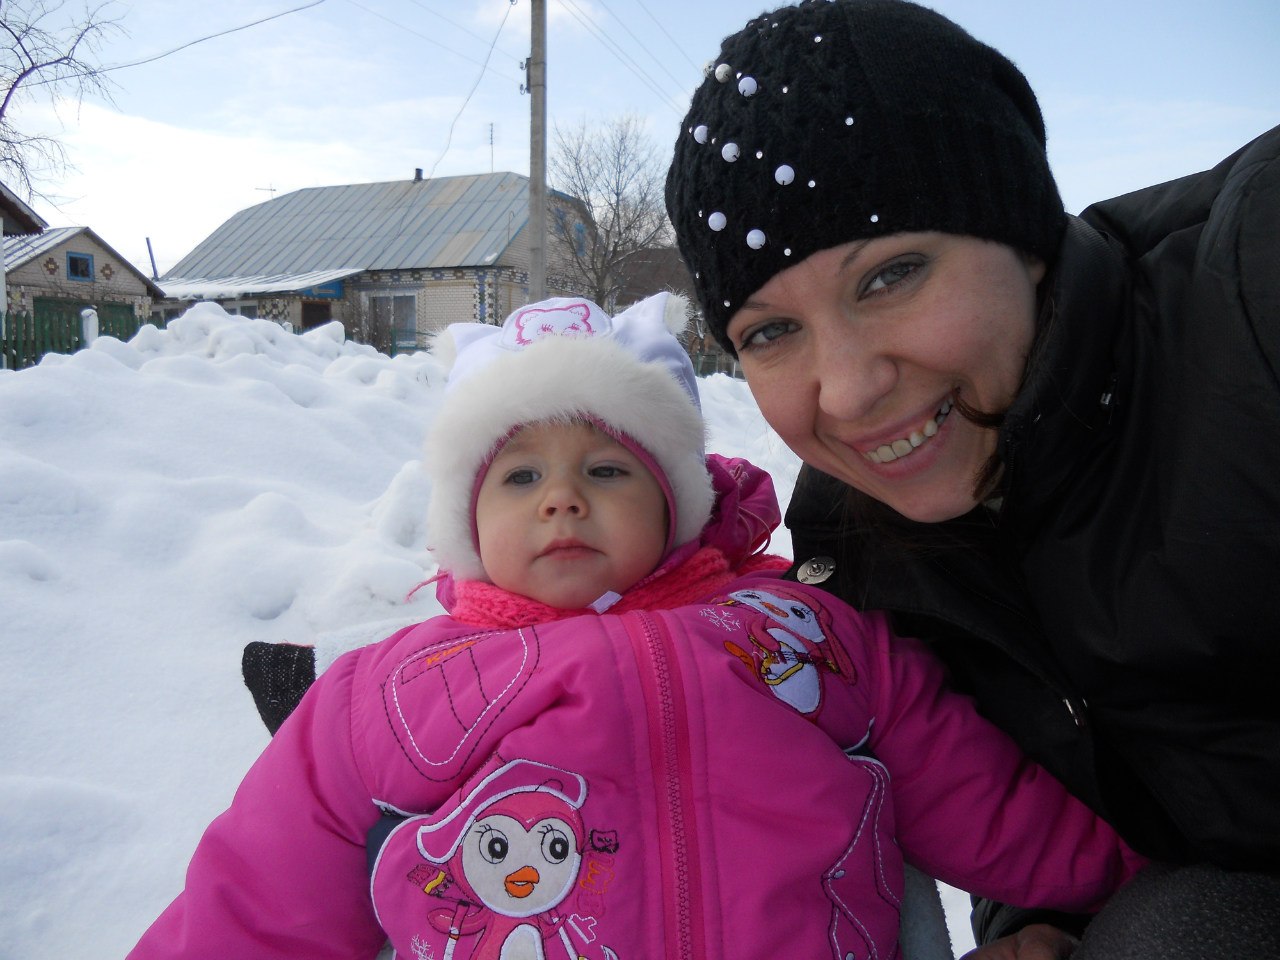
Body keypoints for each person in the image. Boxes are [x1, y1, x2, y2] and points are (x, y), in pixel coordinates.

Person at [129, 294, 1144, 960]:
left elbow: (978, 794)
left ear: (676, 500)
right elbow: (254, 903)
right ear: (466, 520)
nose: (562, 498)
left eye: (607, 469)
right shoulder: (386, 694)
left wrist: (1128, 887)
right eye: (519, 476)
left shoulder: (802, 636)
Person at [664, 1, 1280, 957]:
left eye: (890, 276)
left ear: (1022, 237)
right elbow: (1034, 789)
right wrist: (1035, 924)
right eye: (772, 331)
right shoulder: (861, 550)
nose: (850, 390)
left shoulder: (1249, 298)